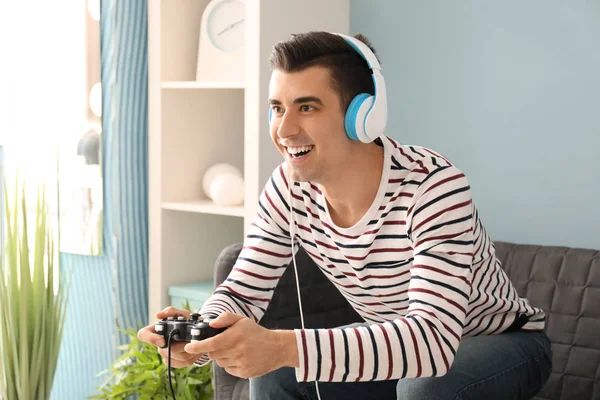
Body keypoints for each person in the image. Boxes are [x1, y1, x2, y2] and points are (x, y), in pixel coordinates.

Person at [138, 31, 552, 399]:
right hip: (398, 344)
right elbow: (244, 292)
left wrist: (285, 345)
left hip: (501, 343)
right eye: (277, 108)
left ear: (362, 116)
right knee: (277, 371)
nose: (284, 130)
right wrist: (200, 333)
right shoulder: (287, 188)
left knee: (425, 382)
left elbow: (431, 342)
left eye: (307, 107)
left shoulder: (434, 187)